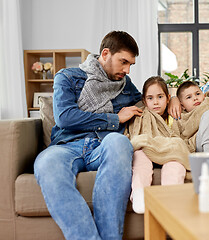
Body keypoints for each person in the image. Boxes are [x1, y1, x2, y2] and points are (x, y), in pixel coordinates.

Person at [34, 31, 143, 240]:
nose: (127, 70)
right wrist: (114, 119)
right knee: (46, 163)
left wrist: (172, 99)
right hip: (66, 146)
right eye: (123, 62)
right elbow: (65, 117)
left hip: (103, 144)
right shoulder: (67, 77)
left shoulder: (125, 85)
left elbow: (148, 99)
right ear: (105, 53)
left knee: (120, 142)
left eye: (131, 65)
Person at [126, 76, 189, 214]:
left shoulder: (174, 114)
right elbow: (135, 137)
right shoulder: (140, 116)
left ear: (167, 98)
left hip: (169, 153)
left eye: (160, 97)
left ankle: (171, 197)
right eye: (150, 98)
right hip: (147, 150)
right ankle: (139, 194)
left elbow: (182, 137)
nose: (155, 102)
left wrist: (176, 99)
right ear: (144, 100)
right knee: (139, 156)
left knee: (175, 163)